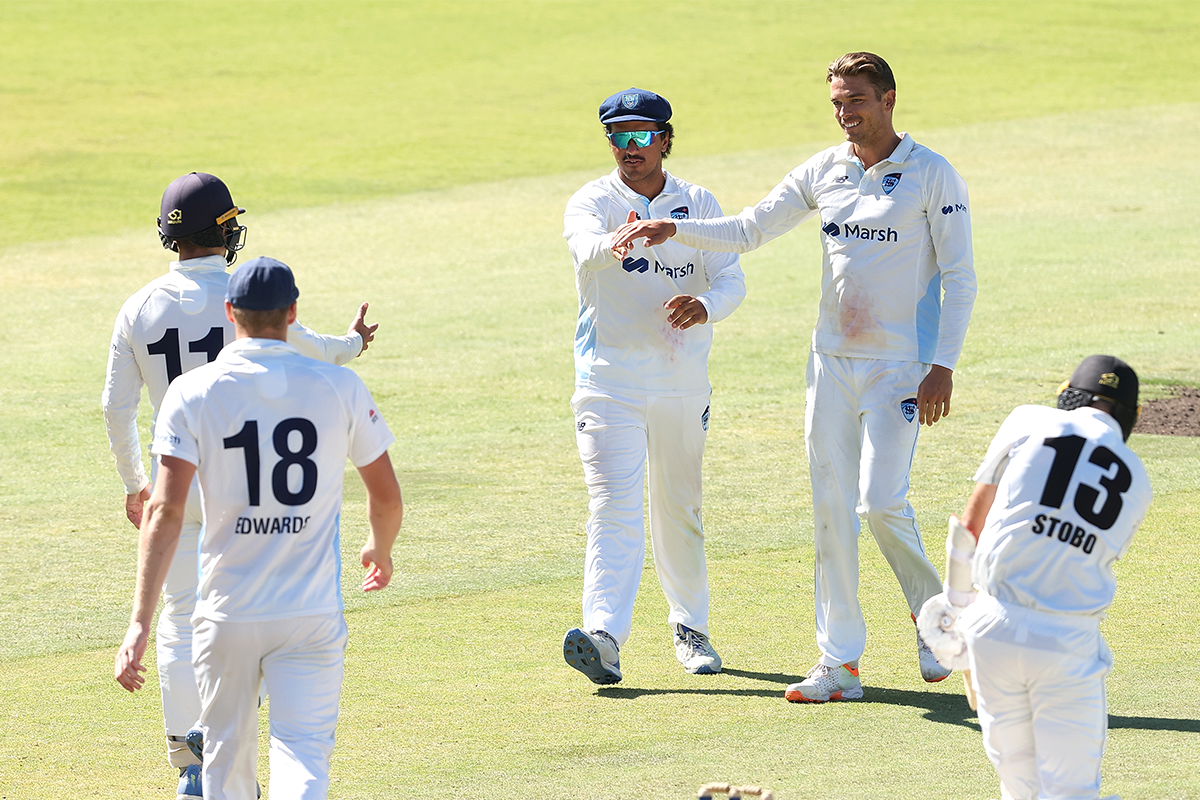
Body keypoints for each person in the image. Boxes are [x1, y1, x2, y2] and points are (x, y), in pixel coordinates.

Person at [609, 52, 977, 701]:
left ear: (888, 99)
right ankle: (840, 664)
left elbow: (960, 277)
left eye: (856, 100)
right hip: (829, 363)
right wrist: (679, 229)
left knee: (880, 502)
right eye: (837, 102)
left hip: (901, 366)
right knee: (833, 513)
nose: (845, 113)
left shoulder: (930, 174)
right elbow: (752, 227)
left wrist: (942, 366)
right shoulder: (826, 169)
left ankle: (935, 619)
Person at [101, 172, 378, 798]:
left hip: (177, 479)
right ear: (223, 230)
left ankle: (189, 756)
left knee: (178, 615)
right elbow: (313, 350)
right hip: (246, 481)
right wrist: (355, 343)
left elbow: (116, 408)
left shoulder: (140, 306)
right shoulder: (243, 292)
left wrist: (135, 484)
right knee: (253, 616)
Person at [559, 88, 746, 684]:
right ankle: (604, 636)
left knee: (678, 509)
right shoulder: (592, 201)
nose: (629, 148)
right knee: (611, 509)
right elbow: (584, 252)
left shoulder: (697, 202)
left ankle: (691, 626)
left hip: (681, 384)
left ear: (666, 138)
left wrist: (707, 306)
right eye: (618, 136)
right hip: (607, 381)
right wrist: (618, 242)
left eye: (642, 136)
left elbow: (731, 277)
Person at [919, 355, 1150, 800]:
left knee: (1019, 788)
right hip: (1068, 640)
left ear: (1068, 395)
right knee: (1071, 792)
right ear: (1132, 417)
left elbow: (968, 528)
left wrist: (958, 613)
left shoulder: (1028, 419)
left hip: (992, 629)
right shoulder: (1137, 479)